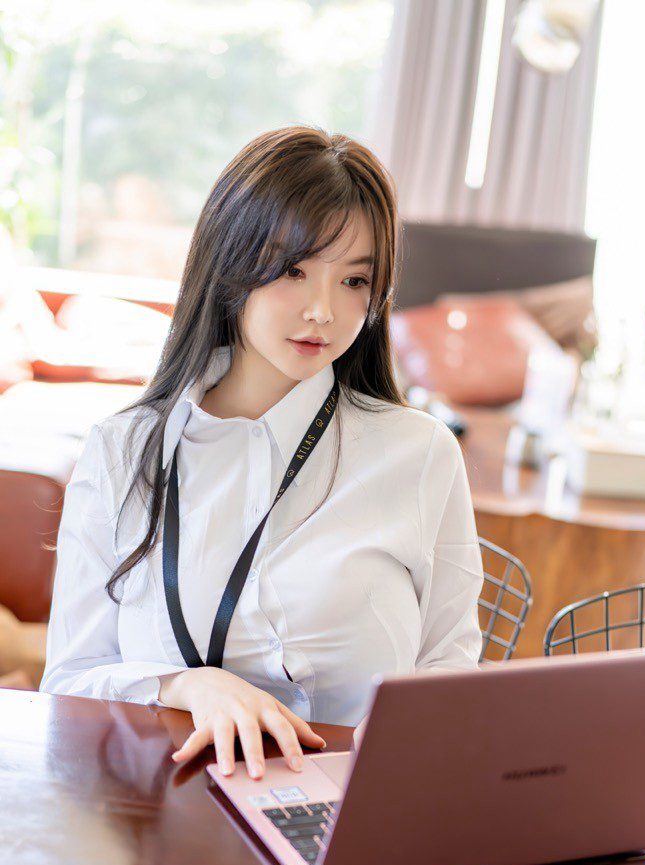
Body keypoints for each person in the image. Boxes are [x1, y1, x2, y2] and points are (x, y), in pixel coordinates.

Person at [40, 126, 483, 780]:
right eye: (293, 270)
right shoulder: (123, 451)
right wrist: (188, 686)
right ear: (230, 266)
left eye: (354, 280)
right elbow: (71, 679)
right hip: (165, 812)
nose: (322, 311)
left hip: (355, 806)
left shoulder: (419, 454)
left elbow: (450, 669)